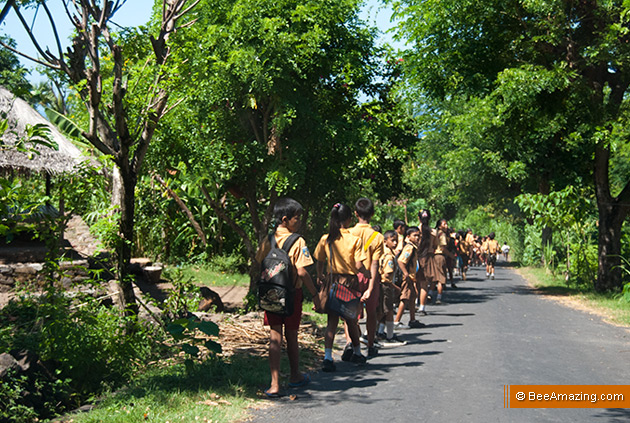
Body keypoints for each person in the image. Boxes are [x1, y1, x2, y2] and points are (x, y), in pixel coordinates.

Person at [255, 197, 320, 397]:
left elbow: (260, 262)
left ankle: (274, 385)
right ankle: (294, 376)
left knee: (275, 336)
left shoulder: (269, 239)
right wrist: (315, 294)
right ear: (285, 219)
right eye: (297, 218)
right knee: (291, 335)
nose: (299, 221)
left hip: (271, 294)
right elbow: (301, 271)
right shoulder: (298, 241)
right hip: (292, 294)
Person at [314, 203, 370, 372]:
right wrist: (368, 274)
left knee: (332, 321)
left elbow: (320, 260)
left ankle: (328, 357)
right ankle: (358, 353)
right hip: (349, 282)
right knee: (351, 319)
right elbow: (359, 265)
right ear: (349, 219)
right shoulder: (354, 240)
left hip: (332, 280)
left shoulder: (327, 238)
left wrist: (320, 275)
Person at [349, 198, 384, 357]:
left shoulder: (348, 233)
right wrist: (370, 287)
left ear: (355, 213)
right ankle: (370, 344)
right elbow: (375, 263)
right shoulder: (377, 236)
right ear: (372, 214)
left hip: (352, 276)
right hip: (370, 277)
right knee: (371, 312)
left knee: (349, 312)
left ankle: (352, 343)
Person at [377, 230, 407, 346]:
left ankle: (377, 333)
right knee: (388, 311)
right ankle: (389, 336)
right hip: (386, 286)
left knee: (381, 311)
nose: (395, 243)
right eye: (392, 240)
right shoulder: (389, 256)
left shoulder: (382, 252)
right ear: (385, 241)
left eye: (396, 241)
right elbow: (387, 276)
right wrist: (396, 288)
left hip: (381, 285)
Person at [394, 226, 423, 329]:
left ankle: (412, 319)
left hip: (412, 277)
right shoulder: (409, 248)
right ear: (408, 237)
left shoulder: (413, 247)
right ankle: (396, 321)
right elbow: (401, 261)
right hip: (407, 277)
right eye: (415, 235)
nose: (417, 238)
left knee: (413, 296)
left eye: (419, 236)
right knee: (405, 298)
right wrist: (406, 274)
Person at [416, 209, 434, 317]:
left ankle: (413, 303)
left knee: (414, 283)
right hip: (427, 259)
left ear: (419, 218)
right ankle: (422, 307)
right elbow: (434, 247)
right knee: (424, 284)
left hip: (416, 259)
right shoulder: (433, 232)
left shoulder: (416, 231)